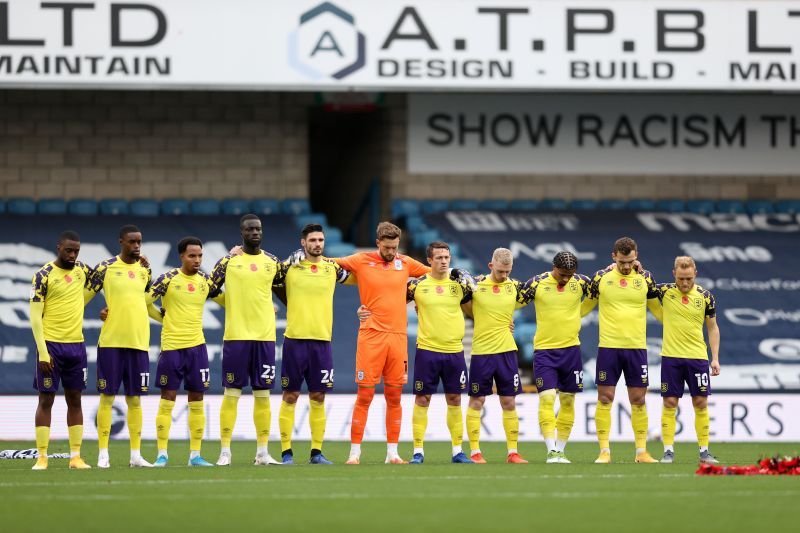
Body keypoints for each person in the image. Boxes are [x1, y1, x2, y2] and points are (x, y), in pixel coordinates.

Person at [581, 237, 662, 464]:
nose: (626, 266)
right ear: (613, 257)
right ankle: (604, 451)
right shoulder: (601, 277)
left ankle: (641, 452)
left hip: (637, 348)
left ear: (636, 257)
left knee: (638, 400)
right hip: (609, 347)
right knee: (605, 398)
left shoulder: (646, 278)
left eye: (631, 261)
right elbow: (584, 307)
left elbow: (659, 311)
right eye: (622, 262)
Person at [210, 214, 284, 466]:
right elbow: (209, 288)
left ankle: (263, 453)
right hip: (236, 337)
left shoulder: (272, 262)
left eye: (258, 229)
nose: (255, 232)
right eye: (250, 229)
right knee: (231, 393)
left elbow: (286, 291)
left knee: (263, 395)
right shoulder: (228, 261)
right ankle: (225, 452)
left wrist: (272, 306)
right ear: (241, 232)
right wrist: (229, 303)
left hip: (264, 337)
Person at [277, 224, 351, 465]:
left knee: (318, 396)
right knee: (290, 395)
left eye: (320, 240)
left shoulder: (332, 269)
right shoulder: (289, 267)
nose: (317, 244)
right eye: (313, 240)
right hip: (295, 340)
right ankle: (286, 452)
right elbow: (264, 273)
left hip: (321, 341)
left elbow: (361, 277)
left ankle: (316, 452)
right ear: (303, 242)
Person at [88, 224, 160, 468]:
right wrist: (102, 311)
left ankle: (136, 455)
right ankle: (103, 454)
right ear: (121, 242)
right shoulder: (105, 268)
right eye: (132, 242)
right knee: (107, 398)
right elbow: (82, 296)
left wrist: (167, 318)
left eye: (139, 241)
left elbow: (146, 304)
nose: (137, 246)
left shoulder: (145, 270)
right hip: (111, 343)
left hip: (139, 343)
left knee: (135, 400)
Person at [149, 237, 225, 467]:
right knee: (167, 399)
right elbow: (143, 301)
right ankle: (162, 454)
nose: (197, 260)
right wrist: (162, 318)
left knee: (197, 399)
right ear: (181, 256)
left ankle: (195, 455)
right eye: (192, 255)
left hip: (197, 348)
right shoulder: (168, 279)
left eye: (200, 255)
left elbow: (226, 301)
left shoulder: (205, 280)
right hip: (172, 348)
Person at [29, 230, 93, 470]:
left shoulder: (82, 271)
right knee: (46, 400)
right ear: (59, 247)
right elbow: (35, 317)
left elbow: (105, 279)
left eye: (76, 250)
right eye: (69, 250)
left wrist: (142, 261)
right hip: (51, 346)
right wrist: (43, 351)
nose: (73, 254)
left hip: (76, 346)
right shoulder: (43, 275)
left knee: (75, 400)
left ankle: (75, 457)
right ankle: (42, 457)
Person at [404, 242, 473, 464]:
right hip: (427, 351)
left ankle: (457, 451)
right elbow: (391, 303)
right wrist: (365, 310)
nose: (444, 261)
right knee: (422, 399)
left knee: (454, 399)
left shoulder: (460, 285)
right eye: (439, 257)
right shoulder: (417, 286)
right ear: (429, 261)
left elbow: (477, 308)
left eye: (447, 257)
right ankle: (418, 451)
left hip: (455, 352)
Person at [462, 248, 529, 464]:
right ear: (491, 266)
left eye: (508, 271)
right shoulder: (476, 286)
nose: (504, 276)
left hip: (507, 352)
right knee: (477, 401)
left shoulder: (514, 287)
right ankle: (475, 452)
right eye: (500, 271)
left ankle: (513, 452)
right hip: (482, 353)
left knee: (509, 401)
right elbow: (460, 303)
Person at [523, 251, 591, 464]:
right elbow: (512, 303)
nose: (565, 279)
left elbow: (605, 291)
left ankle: (561, 450)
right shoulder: (536, 283)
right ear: (553, 267)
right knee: (547, 398)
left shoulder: (581, 282)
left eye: (570, 275)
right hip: (544, 351)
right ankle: (551, 450)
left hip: (571, 351)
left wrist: (580, 312)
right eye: (562, 274)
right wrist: (505, 321)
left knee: (568, 401)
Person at [652, 256, 721, 464]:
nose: (684, 283)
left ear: (695, 274)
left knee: (700, 403)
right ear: (674, 274)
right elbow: (640, 284)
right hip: (671, 357)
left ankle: (704, 451)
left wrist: (715, 358)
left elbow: (712, 328)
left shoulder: (706, 297)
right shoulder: (664, 291)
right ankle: (668, 451)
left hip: (697, 358)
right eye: (681, 278)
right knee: (670, 402)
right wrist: (636, 266)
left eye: (688, 278)